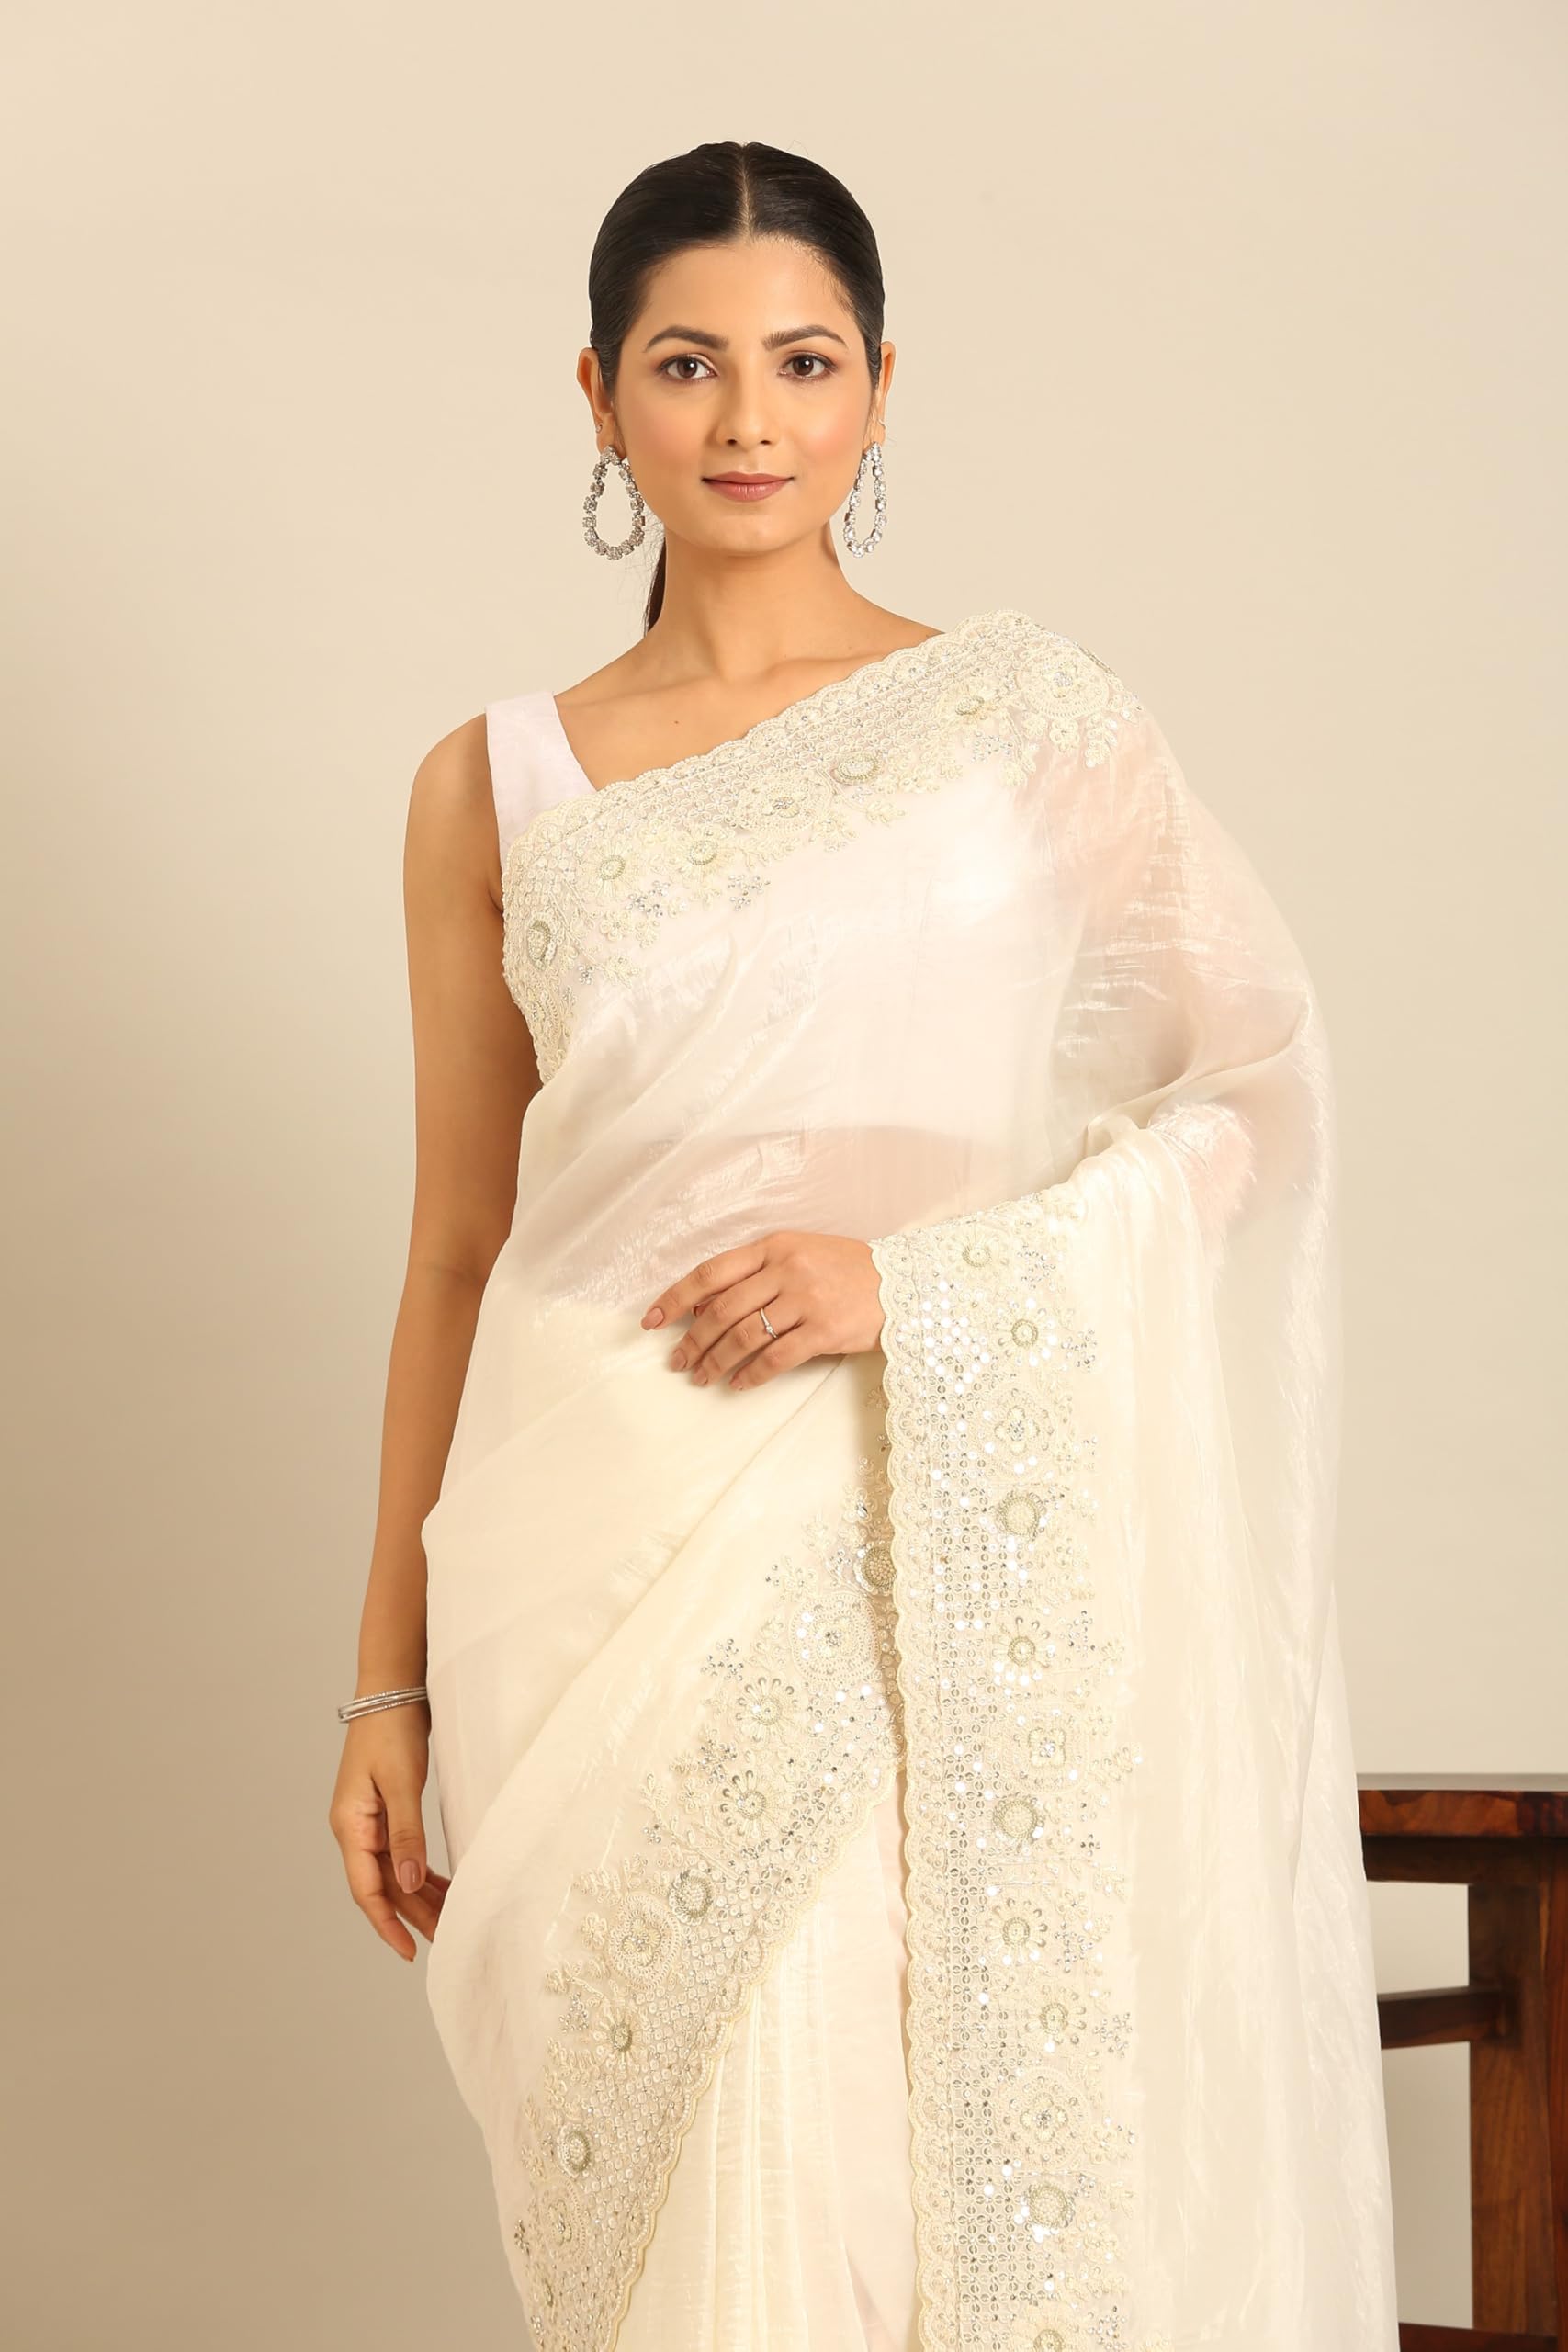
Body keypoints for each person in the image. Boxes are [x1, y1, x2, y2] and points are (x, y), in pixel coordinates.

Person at [327, 139, 1401, 2352]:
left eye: (803, 363)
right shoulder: (493, 785)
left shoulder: (1023, 729)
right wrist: (384, 1680)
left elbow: (1252, 1101)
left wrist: (908, 1286)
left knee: (851, 2156)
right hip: (576, 1556)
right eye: (686, 363)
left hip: (888, 1525)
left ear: (883, 387)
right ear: (596, 392)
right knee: (657, 2200)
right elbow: (454, 1243)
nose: (748, 419)